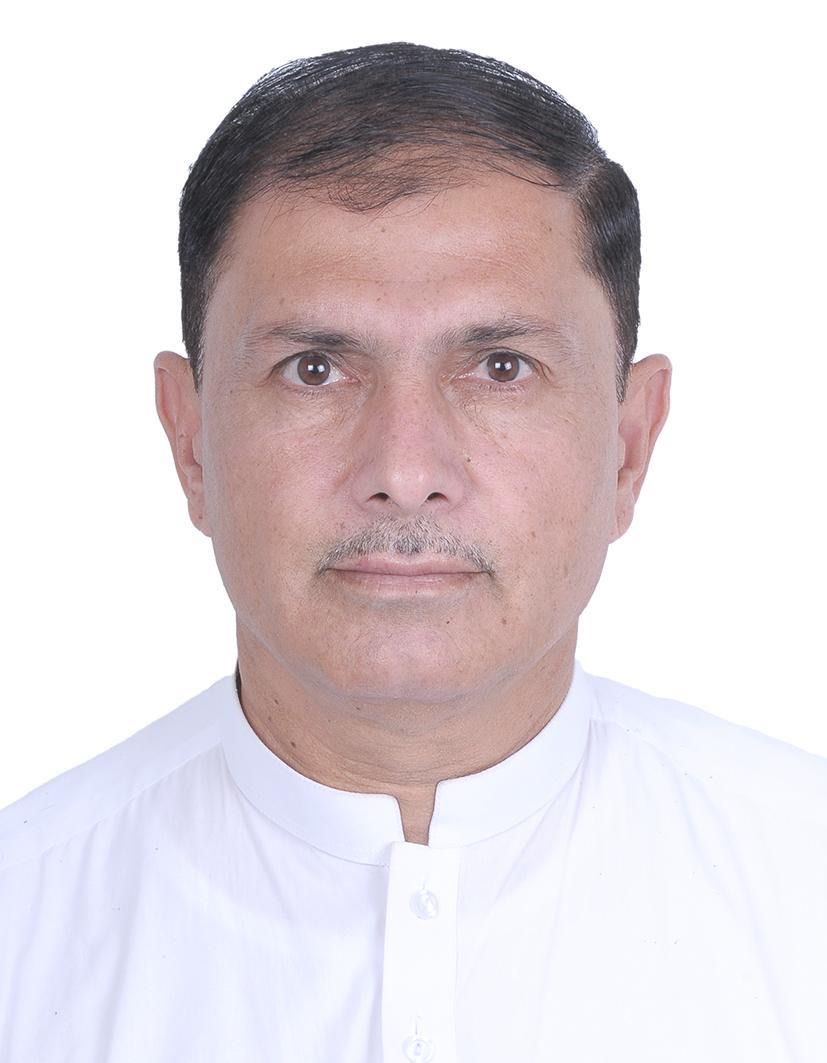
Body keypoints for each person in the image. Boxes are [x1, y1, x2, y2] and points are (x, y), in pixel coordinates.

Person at [1, 41, 824, 1063]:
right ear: (190, 437)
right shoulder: (22, 927)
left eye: (499, 366)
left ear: (627, 443)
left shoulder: (805, 891)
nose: (403, 469)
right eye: (313, 368)